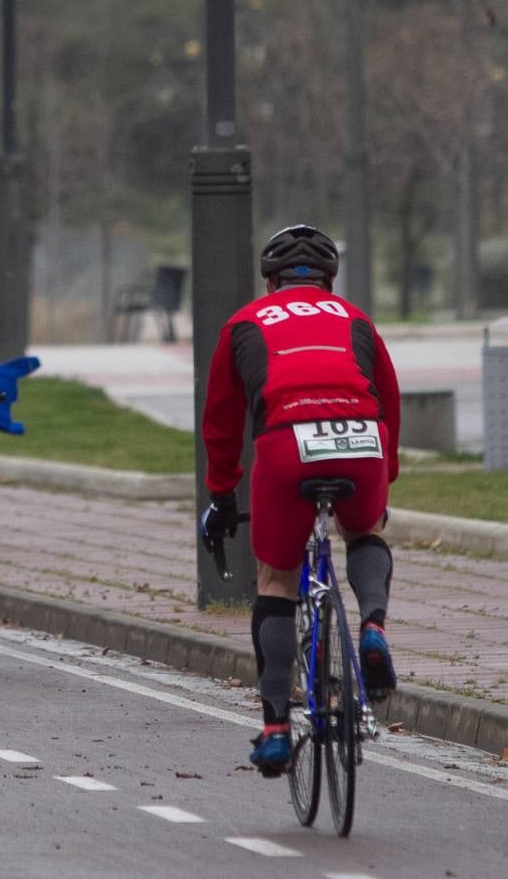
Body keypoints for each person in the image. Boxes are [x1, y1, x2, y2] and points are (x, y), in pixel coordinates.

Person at [200, 224, 401, 776]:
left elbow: (220, 423)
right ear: (330, 282)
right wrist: (388, 471)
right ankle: (375, 627)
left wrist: (221, 493)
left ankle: (274, 726)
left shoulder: (243, 323)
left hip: (287, 444)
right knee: (364, 532)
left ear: (270, 282)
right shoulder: (357, 320)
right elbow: (389, 395)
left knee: (276, 580)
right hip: (362, 439)